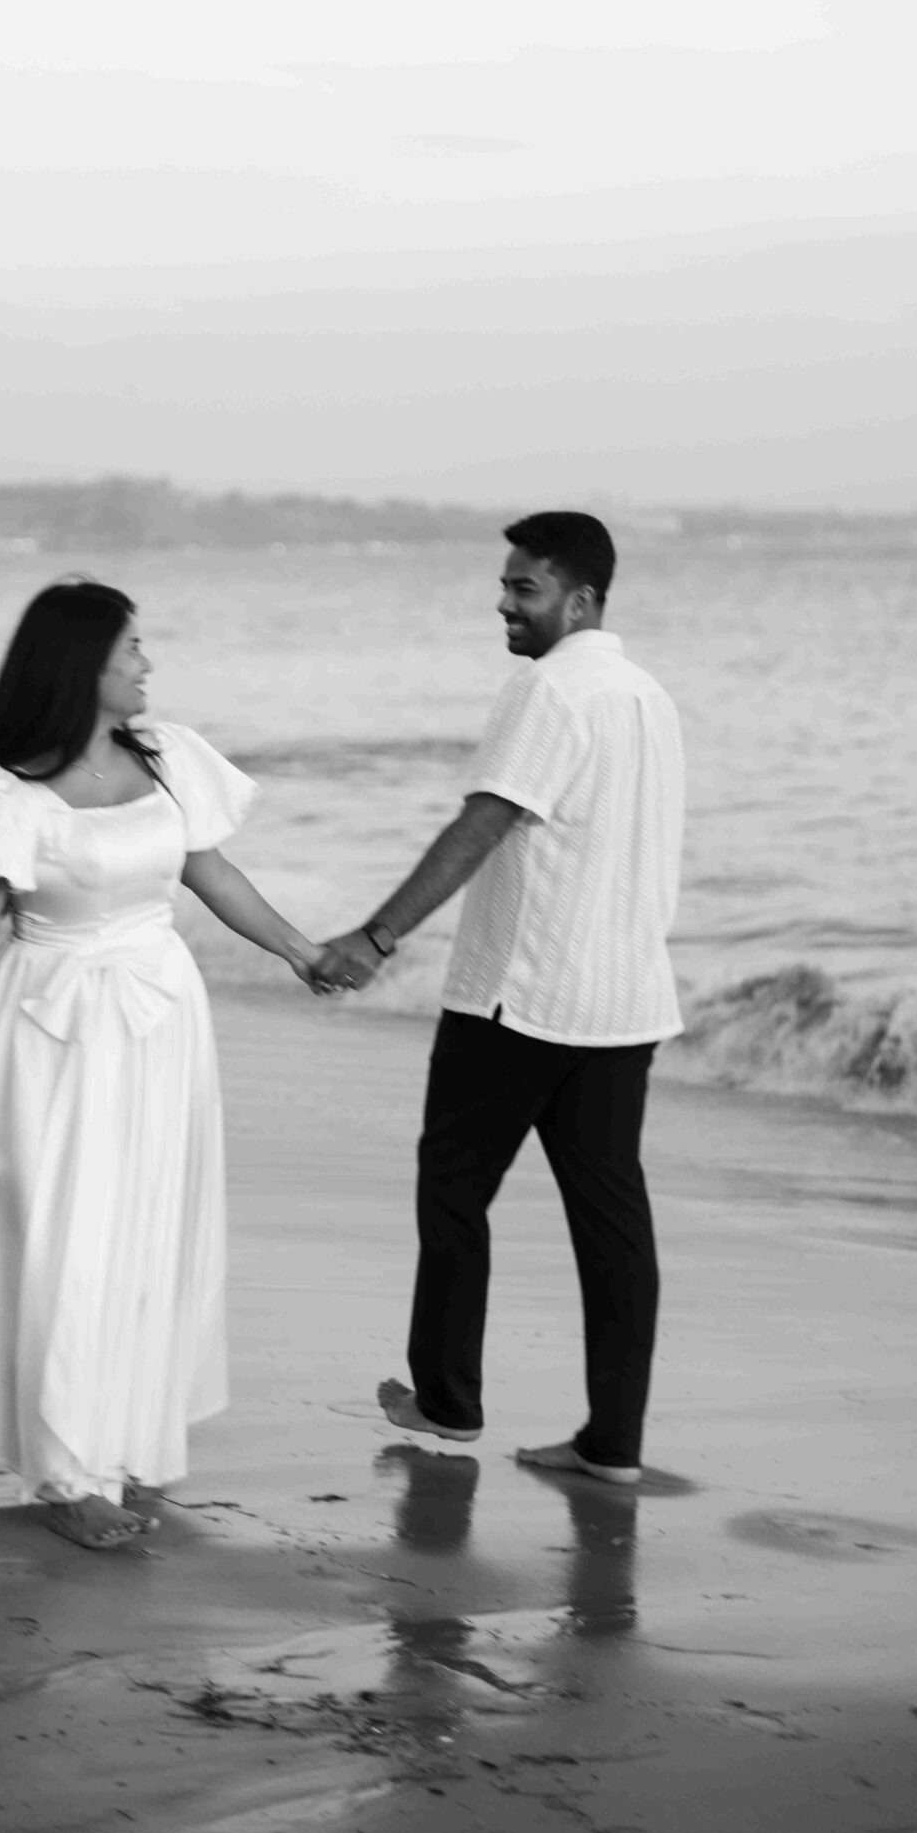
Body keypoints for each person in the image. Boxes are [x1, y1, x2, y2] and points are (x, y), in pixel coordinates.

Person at [0, 579, 328, 1550]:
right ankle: (67, 1472)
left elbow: (208, 871)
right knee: (68, 1240)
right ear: (84, 667)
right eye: (131, 649)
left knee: (149, 1231)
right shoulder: (1, 792)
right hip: (49, 1032)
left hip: (161, 1020)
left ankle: (132, 1440)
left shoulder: (168, 759)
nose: (148, 664)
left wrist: (302, 951)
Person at [314, 511, 683, 1485]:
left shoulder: (549, 689)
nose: (504, 603)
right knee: (611, 1221)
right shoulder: (646, 695)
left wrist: (375, 937)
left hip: (521, 998)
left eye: (525, 588)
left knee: (453, 1187)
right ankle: (613, 1443)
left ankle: (447, 1397)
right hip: (622, 998)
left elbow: (484, 823)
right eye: (506, 585)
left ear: (582, 600)